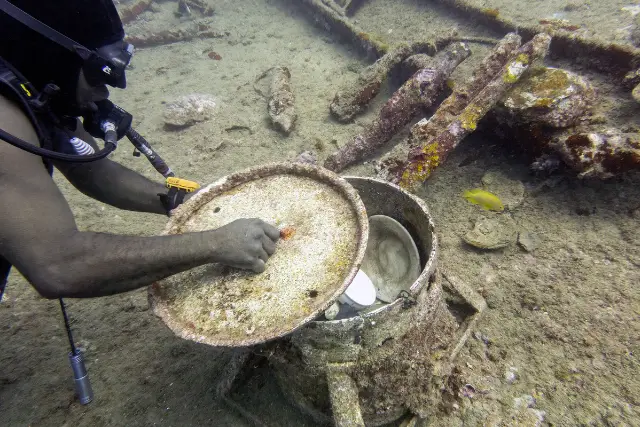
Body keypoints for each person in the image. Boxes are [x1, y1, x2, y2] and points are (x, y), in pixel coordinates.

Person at [0, 0, 279, 300]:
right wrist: (214, 244)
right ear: (51, 57)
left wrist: (183, 201)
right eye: (98, 73)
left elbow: (92, 170)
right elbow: (58, 266)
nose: (107, 90)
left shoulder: (31, 88)